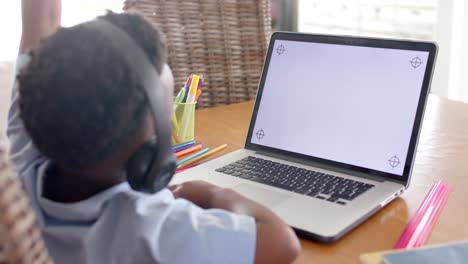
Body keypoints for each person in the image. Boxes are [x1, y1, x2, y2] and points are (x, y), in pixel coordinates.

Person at [7, 1, 301, 263]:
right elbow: (282, 243)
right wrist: (208, 192)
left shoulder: (21, 164)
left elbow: (39, 23)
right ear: (150, 158)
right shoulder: (154, 231)